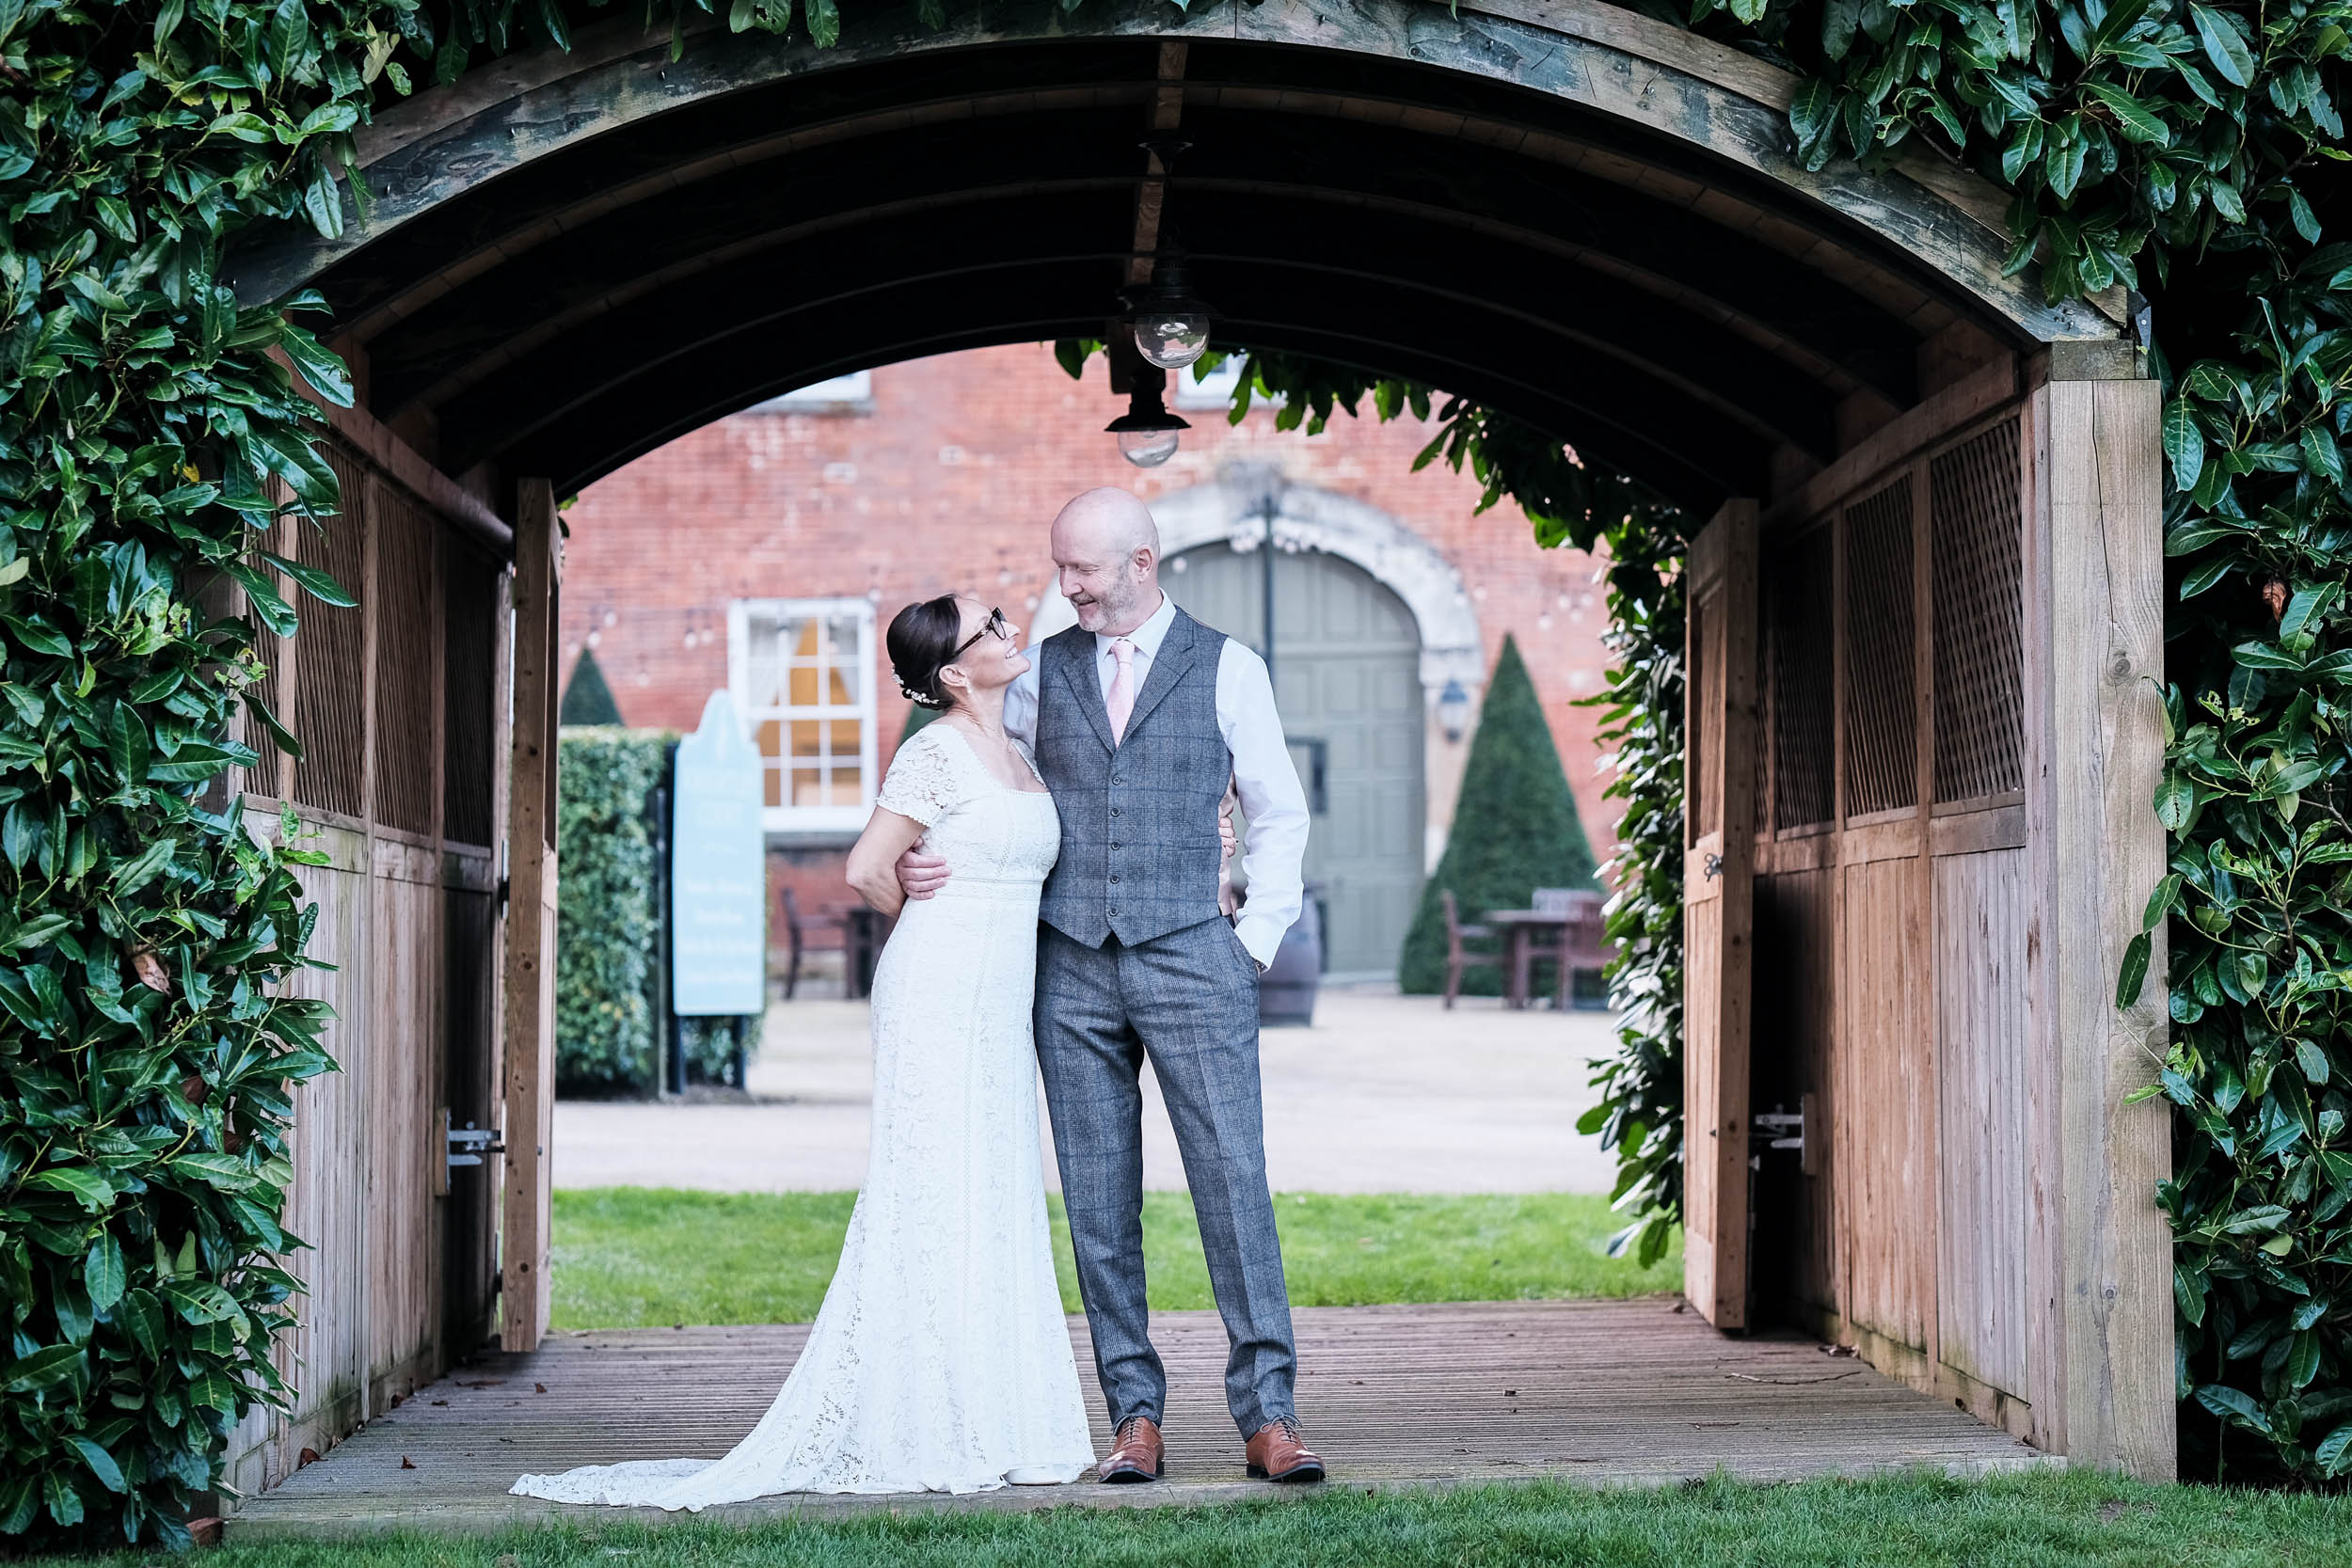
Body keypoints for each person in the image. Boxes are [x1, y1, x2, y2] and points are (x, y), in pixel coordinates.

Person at [511, 594, 1096, 1508]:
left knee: (996, 1184)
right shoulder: (933, 750)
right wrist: (925, 907)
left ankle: (1003, 1413)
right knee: (930, 1186)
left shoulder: (1015, 750)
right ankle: (922, 1414)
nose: (1009, 633)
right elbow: (867, 866)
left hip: (1000, 1006)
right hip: (938, 991)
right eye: (991, 628)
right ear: (951, 671)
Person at [897, 486, 1322, 1484]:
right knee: (1096, 1198)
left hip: (1192, 955)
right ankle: (1134, 1411)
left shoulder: (1229, 666)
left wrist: (1249, 941)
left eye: (1081, 570)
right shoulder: (1043, 667)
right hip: (1070, 962)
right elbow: (971, 765)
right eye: (1060, 569)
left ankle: (1269, 1414)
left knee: (1233, 1183)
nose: (1065, 587)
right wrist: (919, 854)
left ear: (1141, 562)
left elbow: (1278, 813)